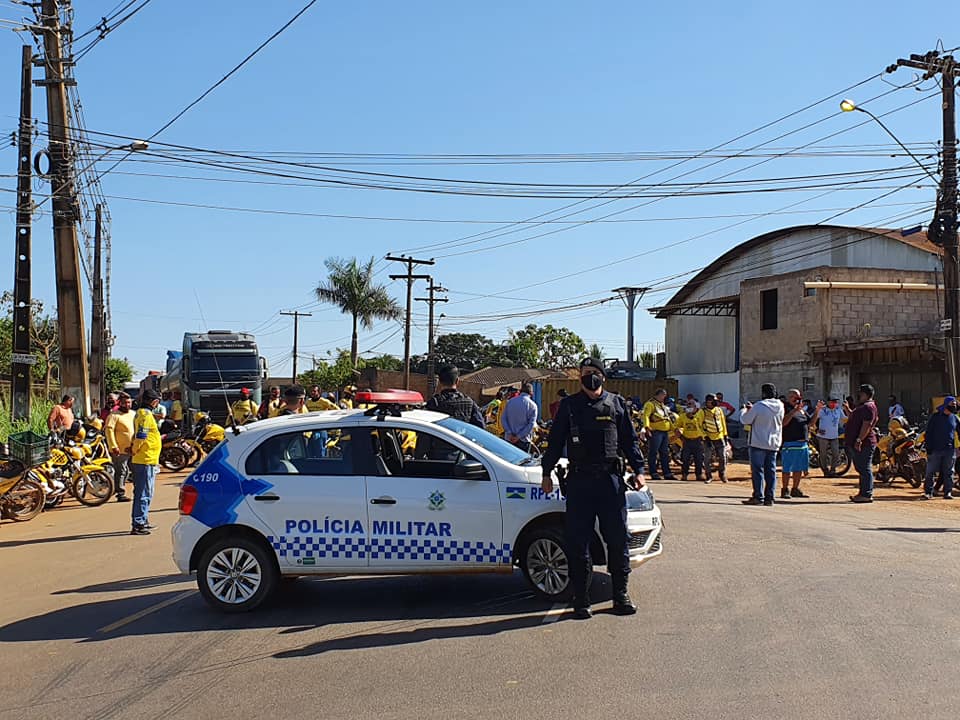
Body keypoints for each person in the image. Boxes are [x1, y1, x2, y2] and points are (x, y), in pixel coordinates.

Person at [541, 357, 645, 619]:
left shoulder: (616, 403)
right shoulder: (569, 406)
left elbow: (629, 441)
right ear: (579, 378)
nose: (589, 377)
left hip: (610, 482)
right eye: (585, 373)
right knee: (578, 542)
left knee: (617, 539)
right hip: (579, 482)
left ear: (603, 376)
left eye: (594, 372)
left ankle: (620, 595)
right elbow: (554, 442)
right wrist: (546, 473)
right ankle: (581, 598)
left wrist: (640, 470)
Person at [739, 383, 784, 506]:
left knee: (758, 470)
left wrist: (745, 410)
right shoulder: (780, 406)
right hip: (773, 443)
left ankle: (758, 496)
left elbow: (746, 420)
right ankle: (770, 497)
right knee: (771, 471)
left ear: (763, 393)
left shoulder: (759, 406)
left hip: (758, 442)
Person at [130, 389, 162, 535]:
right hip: (144, 459)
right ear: (153, 401)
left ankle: (143, 519)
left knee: (146, 491)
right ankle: (138, 523)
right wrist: (135, 449)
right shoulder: (145, 415)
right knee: (143, 492)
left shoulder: (143, 414)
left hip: (147, 458)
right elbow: (141, 436)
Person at [845, 384, 880, 504]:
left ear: (865, 394)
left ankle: (866, 494)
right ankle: (862, 493)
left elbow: (867, 425)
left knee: (864, 468)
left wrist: (859, 439)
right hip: (862, 442)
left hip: (864, 443)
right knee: (861, 468)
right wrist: (848, 410)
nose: (858, 396)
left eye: (860, 393)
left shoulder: (867, 407)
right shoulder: (866, 407)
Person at [922, 396, 958, 500]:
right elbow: (928, 433)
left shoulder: (954, 418)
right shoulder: (935, 417)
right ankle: (928, 492)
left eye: (955, 405)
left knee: (949, 472)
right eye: (952, 405)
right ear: (946, 405)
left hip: (949, 450)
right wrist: (928, 447)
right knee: (930, 472)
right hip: (935, 450)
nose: (954, 407)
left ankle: (948, 492)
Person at [780, 389, 811, 499]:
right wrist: (793, 411)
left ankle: (795, 488)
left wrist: (817, 411)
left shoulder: (802, 410)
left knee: (799, 468)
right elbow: (783, 423)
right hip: (790, 443)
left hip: (802, 444)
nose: (796, 399)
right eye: (794, 397)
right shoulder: (785, 408)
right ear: (789, 398)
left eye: (798, 397)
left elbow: (810, 423)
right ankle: (785, 489)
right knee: (787, 468)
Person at [105, 392, 135, 502]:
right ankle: (120, 493)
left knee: (132, 471)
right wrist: (113, 446)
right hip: (120, 449)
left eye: (129, 402)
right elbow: (109, 431)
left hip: (133, 448)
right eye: (125, 403)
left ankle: (136, 491)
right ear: (120, 403)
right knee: (121, 471)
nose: (128, 405)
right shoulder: (114, 415)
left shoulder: (133, 414)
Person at [641, 389, 676, 481]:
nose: (664, 397)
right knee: (653, 452)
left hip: (665, 432)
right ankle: (653, 472)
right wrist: (647, 427)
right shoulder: (650, 404)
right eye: (663, 395)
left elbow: (667, 418)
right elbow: (646, 416)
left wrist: (674, 429)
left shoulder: (662, 405)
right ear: (658, 395)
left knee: (664, 453)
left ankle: (667, 473)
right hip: (656, 431)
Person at [812, 396, 846, 477]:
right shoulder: (822, 410)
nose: (834, 403)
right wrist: (816, 429)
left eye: (835, 402)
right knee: (823, 454)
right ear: (828, 402)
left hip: (834, 436)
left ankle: (833, 470)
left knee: (836, 454)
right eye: (832, 402)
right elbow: (813, 419)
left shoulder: (838, 410)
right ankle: (825, 470)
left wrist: (848, 409)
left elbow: (845, 418)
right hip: (823, 436)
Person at [502, 382, 538, 452]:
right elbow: (531, 424)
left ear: (520, 391)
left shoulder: (510, 402)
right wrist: (518, 436)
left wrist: (509, 432)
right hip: (523, 440)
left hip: (509, 439)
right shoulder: (533, 406)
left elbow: (503, 419)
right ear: (531, 393)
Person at [674, 400, 705, 481]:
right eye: (688, 406)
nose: (689, 407)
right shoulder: (682, 416)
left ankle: (699, 475)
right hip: (687, 440)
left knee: (698, 459)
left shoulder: (700, 414)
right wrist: (679, 435)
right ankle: (684, 475)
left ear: (695, 407)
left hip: (698, 440)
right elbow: (676, 426)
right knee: (685, 459)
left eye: (691, 405)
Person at [701, 393, 729, 483]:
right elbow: (699, 425)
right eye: (714, 401)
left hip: (719, 437)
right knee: (707, 458)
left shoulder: (719, 410)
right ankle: (708, 476)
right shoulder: (702, 412)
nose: (716, 402)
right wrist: (704, 436)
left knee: (723, 456)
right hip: (708, 438)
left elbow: (722, 422)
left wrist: (725, 435)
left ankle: (722, 474)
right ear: (708, 402)